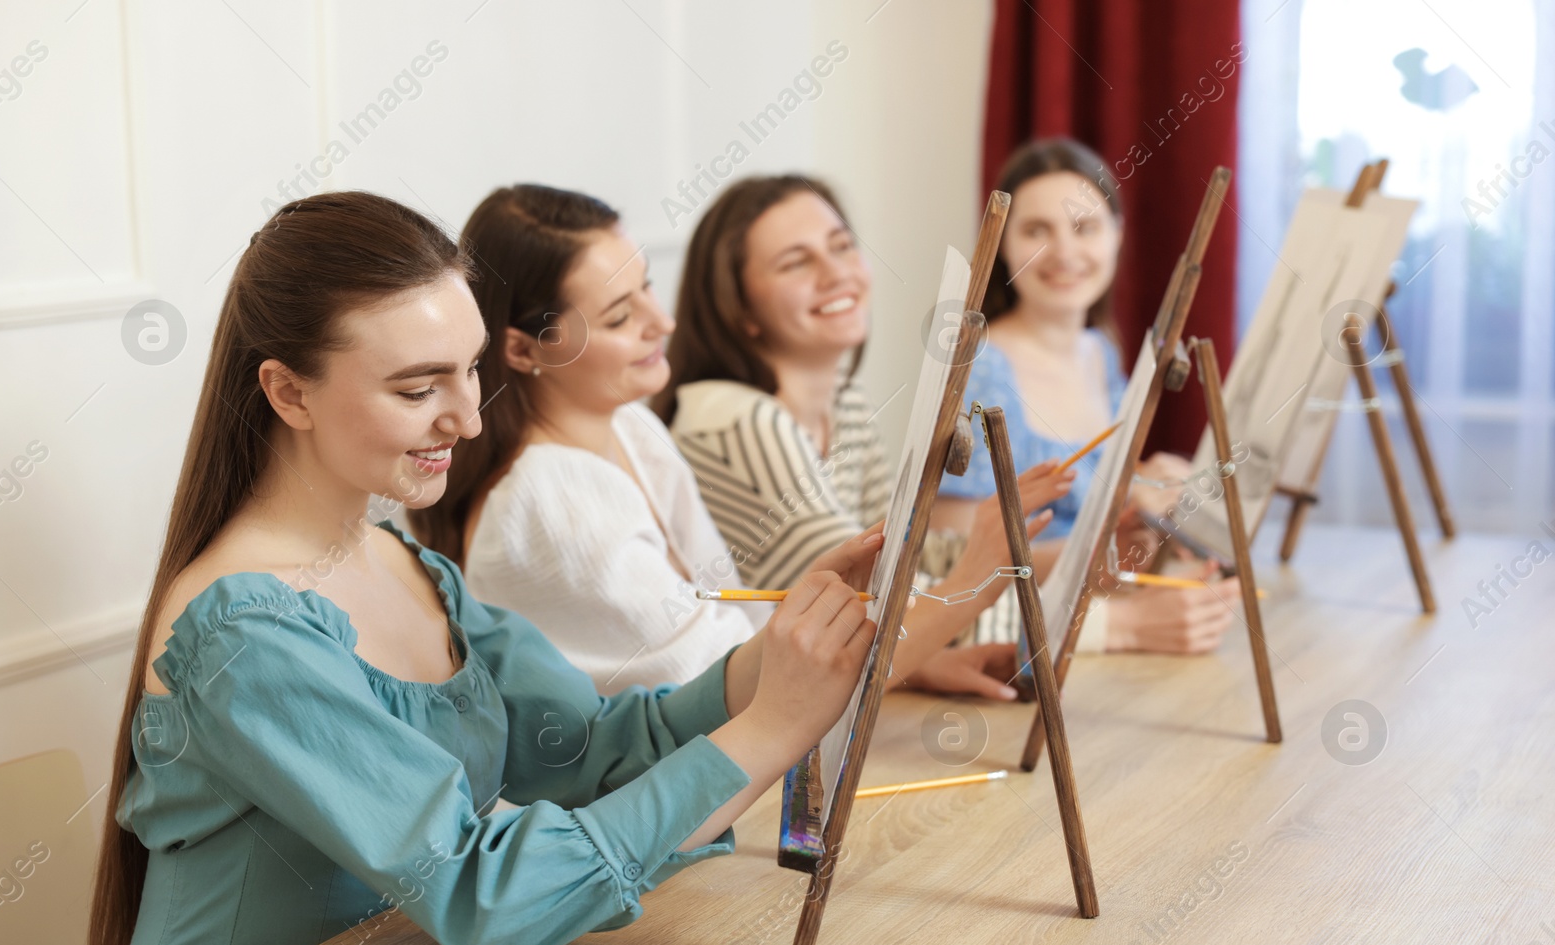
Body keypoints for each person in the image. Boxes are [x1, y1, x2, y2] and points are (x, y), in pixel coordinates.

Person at [77, 191, 878, 945]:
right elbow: (476, 891)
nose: (465, 415)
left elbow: (585, 751)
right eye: (418, 386)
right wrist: (773, 730)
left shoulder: (405, 565)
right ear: (286, 391)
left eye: (468, 369)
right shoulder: (245, 632)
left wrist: (787, 644)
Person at [413, 183, 1035, 700]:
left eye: (647, 289)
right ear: (523, 349)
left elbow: (737, 633)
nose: (664, 322)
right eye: (620, 317)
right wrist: (976, 576)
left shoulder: (634, 428)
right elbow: (723, 693)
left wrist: (916, 664)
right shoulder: (552, 498)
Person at [655, 175, 1071, 697]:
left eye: (842, 247)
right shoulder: (737, 422)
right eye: (796, 262)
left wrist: (1075, 554)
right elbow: (873, 606)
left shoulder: (844, 403)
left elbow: (906, 557)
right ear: (737, 308)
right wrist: (1098, 624)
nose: (836, 274)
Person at [933, 139, 1241, 654]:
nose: (1065, 253)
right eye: (1036, 231)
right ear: (1002, 243)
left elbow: (1109, 512)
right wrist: (1116, 511)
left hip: (1088, 613)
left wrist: (1149, 493)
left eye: (1085, 227)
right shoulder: (978, 369)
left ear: (1117, 236)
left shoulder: (1101, 353)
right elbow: (947, 552)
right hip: (1009, 636)